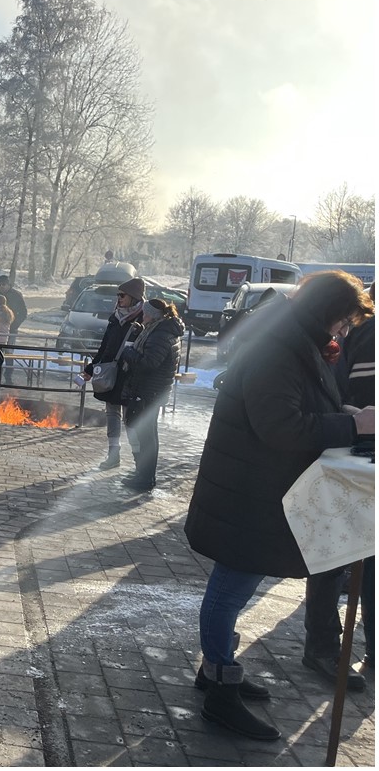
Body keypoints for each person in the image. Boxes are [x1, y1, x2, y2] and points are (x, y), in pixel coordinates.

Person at [185, 271, 374, 741]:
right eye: (343, 321)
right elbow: (281, 426)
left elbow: (295, 405)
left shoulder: (291, 338)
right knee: (231, 589)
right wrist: (352, 428)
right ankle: (219, 695)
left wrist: (344, 414)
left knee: (234, 585)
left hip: (253, 487)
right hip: (248, 491)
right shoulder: (279, 347)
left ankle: (217, 668)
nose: (343, 332)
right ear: (325, 312)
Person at [303, 280, 375, 690]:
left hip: (355, 450)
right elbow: (355, 397)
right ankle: (324, 649)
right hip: (354, 455)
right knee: (335, 557)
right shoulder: (366, 331)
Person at [118, 299, 184, 491]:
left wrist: (128, 353)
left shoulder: (160, 335)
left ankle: (145, 478)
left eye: (145, 314)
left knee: (146, 435)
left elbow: (150, 363)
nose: (143, 316)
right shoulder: (160, 330)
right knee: (147, 433)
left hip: (149, 391)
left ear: (153, 316)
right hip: (153, 390)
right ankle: (144, 474)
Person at [80, 278, 144, 471]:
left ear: (133, 297)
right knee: (112, 414)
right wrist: (92, 367)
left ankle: (139, 461)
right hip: (111, 373)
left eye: (122, 295)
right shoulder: (115, 317)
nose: (118, 298)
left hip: (129, 375)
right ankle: (113, 454)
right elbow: (105, 346)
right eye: (118, 295)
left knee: (130, 419)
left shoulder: (142, 319)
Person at [0, 274, 28, 341]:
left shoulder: (17, 295)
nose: (1, 286)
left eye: (3, 284)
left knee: (9, 350)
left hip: (12, 329)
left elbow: (23, 312)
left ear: (9, 284)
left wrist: (14, 325)